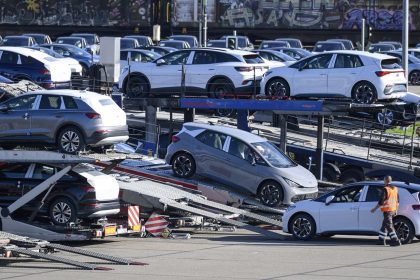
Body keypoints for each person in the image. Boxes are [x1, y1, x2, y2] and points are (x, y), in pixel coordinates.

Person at [371, 176, 401, 246]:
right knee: (384, 225)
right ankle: (381, 240)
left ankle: (395, 240)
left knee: (389, 226)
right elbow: (397, 201)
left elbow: (381, 202)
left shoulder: (385, 189)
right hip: (393, 210)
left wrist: (374, 209)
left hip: (387, 211)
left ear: (385, 180)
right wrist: (396, 209)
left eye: (384, 180)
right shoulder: (395, 189)